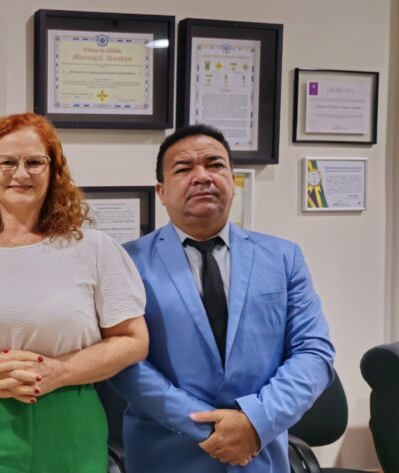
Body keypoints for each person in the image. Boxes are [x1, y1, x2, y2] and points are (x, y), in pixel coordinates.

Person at [0, 112, 150, 473]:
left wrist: (60, 372)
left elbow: (134, 340)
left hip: (70, 422)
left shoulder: (95, 249)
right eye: (7, 162)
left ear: (54, 171)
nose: (20, 173)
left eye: (34, 162)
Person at [108, 124, 335, 472]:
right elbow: (123, 363)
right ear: (161, 191)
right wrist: (210, 428)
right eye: (183, 169)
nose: (202, 176)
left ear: (232, 180)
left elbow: (314, 352)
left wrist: (254, 422)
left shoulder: (283, 257)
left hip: (260, 454)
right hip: (166, 456)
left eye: (215, 165)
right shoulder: (127, 262)